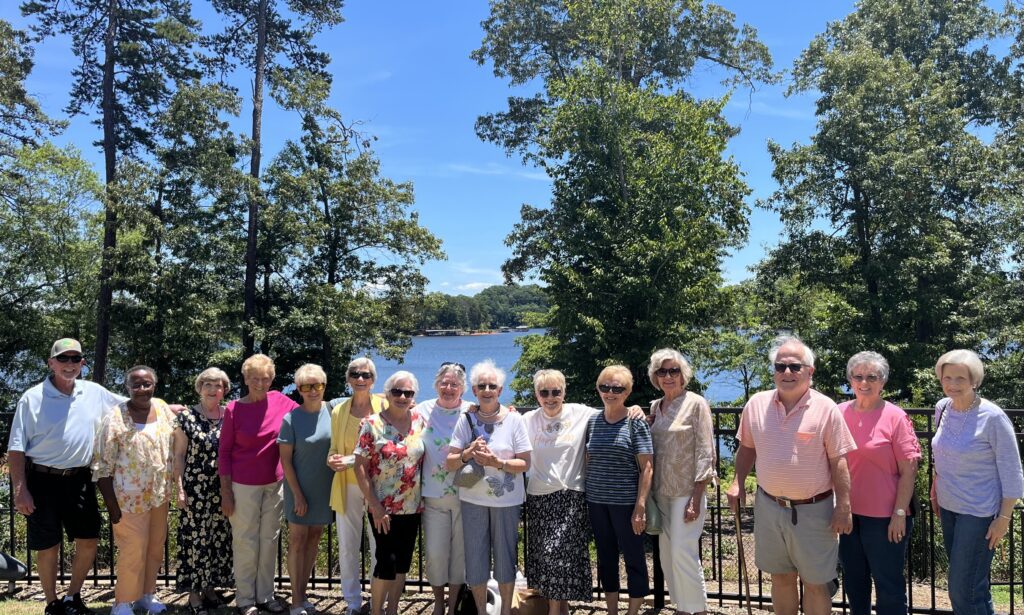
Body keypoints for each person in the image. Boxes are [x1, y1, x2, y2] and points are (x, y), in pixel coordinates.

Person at [726, 335, 856, 615]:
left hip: (815, 510)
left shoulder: (826, 409)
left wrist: (844, 506)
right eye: (780, 366)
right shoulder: (756, 404)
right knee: (781, 578)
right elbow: (747, 448)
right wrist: (737, 482)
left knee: (816, 583)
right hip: (769, 506)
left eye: (795, 367)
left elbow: (839, 461)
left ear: (810, 371)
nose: (787, 372)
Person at [7, 339, 126, 615]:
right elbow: (16, 448)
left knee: (89, 538)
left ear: (82, 363)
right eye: (63, 358)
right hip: (42, 480)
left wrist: (166, 407)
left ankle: (73, 597)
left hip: (80, 479)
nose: (69, 364)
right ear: (51, 363)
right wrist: (20, 490)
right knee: (48, 544)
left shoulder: (94, 392)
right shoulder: (32, 398)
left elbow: (130, 405)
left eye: (75, 359)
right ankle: (52, 603)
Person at [931, 349, 1023, 615]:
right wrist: (935, 489)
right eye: (947, 378)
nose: (953, 384)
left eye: (960, 378)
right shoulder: (942, 408)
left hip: (979, 513)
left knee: (962, 590)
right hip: (949, 507)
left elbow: (1012, 471)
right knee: (974, 588)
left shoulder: (992, 417)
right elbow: (942, 454)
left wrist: (1003, 519)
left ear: (974, 380)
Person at [446, 359, 532, 615]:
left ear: (500, 390)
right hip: (472, 499)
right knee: (475, 558)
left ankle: (505, 611)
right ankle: (482, 611)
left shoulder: (514, 420)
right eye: (481, 386)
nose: (487, 390)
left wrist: (498, 463)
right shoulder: (466, 419)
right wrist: (469, 453)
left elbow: (525, 463)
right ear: (474, 390)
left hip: (506, 501)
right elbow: (450, 462)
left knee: (506, 558)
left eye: (492, 386)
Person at [838, 352, 920, 615]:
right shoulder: (838, 413)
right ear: (850, 380)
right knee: (854, 583)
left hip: (886, 518)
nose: (864, 382)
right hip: (849, 515)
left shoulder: (895, 417)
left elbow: (909, 470)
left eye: (872, 377)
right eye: (858, 376)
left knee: (889, 587)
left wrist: (899, 513)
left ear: (882, 382)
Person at [219, 354, 298, 615]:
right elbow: (224, 453)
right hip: (243, 486)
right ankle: (245, 599)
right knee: (245, 540)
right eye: (254, 378)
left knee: (269, 540)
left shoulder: (282, 402)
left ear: (271, 379)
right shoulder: (234, 409)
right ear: (245, 379)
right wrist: (226, 492)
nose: (260, 383)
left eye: (265, 378)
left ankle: (265, 595)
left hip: (275, 484)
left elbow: (310, 411)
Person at [93, 366, 176, 615]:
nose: (141, 389)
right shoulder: (115, 418)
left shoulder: (162, 408)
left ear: (154, 385)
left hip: (159, 494)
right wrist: (111, 505)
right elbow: (102, 465)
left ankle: (146, 595)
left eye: (146, 384)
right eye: (136, 384)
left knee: (155, 546)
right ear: (127, 387)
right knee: (133, 548)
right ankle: (122, 602)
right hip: (128, 498)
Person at [647, 349, 715, 615]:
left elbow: (706, 451)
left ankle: (698, 610)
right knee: (667, 555)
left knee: (682, 552)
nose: (668, 376)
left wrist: (697, 497)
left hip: (686, 491)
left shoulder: (696, 403)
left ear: (683, 374)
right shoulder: (656, 407)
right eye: (662, 371)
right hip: (660, 491)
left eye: (673, 370)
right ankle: (683, 608)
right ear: (655, 376)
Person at [354, 370, 427, 615]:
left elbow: (449, 413)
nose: (402, 397)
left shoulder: (419, 421)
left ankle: (393, 610)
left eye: (408, 392)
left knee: (402, 563)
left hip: (412, 505)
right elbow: (360, 467)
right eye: (397, 391)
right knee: (387, 562)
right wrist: (374, 506)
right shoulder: (372, 424)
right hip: (382, 507)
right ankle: (377, 611)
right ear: (387, 394)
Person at [522, 369, 594, 615]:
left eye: (556, 392)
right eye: (544, 392)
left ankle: (554, 611)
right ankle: (560, 608)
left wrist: (635, 409)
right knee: (547, 556)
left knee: (560, 555)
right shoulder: (528, 419)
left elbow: (613, 411)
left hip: (570, 495)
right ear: (536, 395)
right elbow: (499, 422)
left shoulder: (580, 413)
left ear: (564, 392)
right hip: (539, 496)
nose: (550, 397)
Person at [585, 365, 653, 615]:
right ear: (598, 389)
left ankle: (633, 611)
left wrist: (640, 506)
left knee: (634, 558)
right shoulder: (593, 421)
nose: (610, 393)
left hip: (626, 504)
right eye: (605, 387)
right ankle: (612, 611)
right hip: (596, 502)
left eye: (617, 388)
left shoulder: (635, 423)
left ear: (627, 392)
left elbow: (647, 468)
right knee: (606, 558)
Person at [173, 368, 234, 614]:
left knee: (218, 539)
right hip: (195, 490)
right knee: (196, 541)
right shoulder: (186, 417)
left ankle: (210, 589)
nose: (212, 389)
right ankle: (194, 595)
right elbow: (178, 455)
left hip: (221, 488)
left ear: (224, 390)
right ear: (199, 387)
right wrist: (179, 489)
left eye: (218, 385)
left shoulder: (229, 415)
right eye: (208, 384)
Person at [413, 363, 471, 615]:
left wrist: (510, 409)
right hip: (432, 495)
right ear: (436, 385)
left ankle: (453, 604)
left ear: (462, 388)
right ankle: (438, 602)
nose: (449, 388)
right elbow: (392, 407)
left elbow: (498, 417)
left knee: (460, 555)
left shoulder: (472, 411)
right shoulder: (422, 410)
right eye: (444, 383)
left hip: (465, 495)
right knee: (435, 554)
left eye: (454, 384)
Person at [328, 357, 383, 615]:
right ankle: (352, 602)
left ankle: (377, 598)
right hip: (346, 486)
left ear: (373, 380)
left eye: (366, 375)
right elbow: (334, 448)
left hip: (377, 487)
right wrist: (331, 459)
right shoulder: (339, 411)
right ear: (348, 379)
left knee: (378, 545)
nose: (361, 379)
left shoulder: (384, 406)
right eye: (356, 374)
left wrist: (350, 460)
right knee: (348, 546)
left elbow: (388, 446)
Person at [279, 364, 334, 615]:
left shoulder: (333, 411)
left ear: (324, 386)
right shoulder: (291, 419)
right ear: (299, 389)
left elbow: (368, 398)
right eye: (307, 386)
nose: (313, 391)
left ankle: (303, 594)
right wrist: (298, 495)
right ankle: (295, 600)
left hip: (324, 488)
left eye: (318, 385)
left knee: (314, 538)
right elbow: (285, 461)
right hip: (298, 488)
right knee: (298, 541)